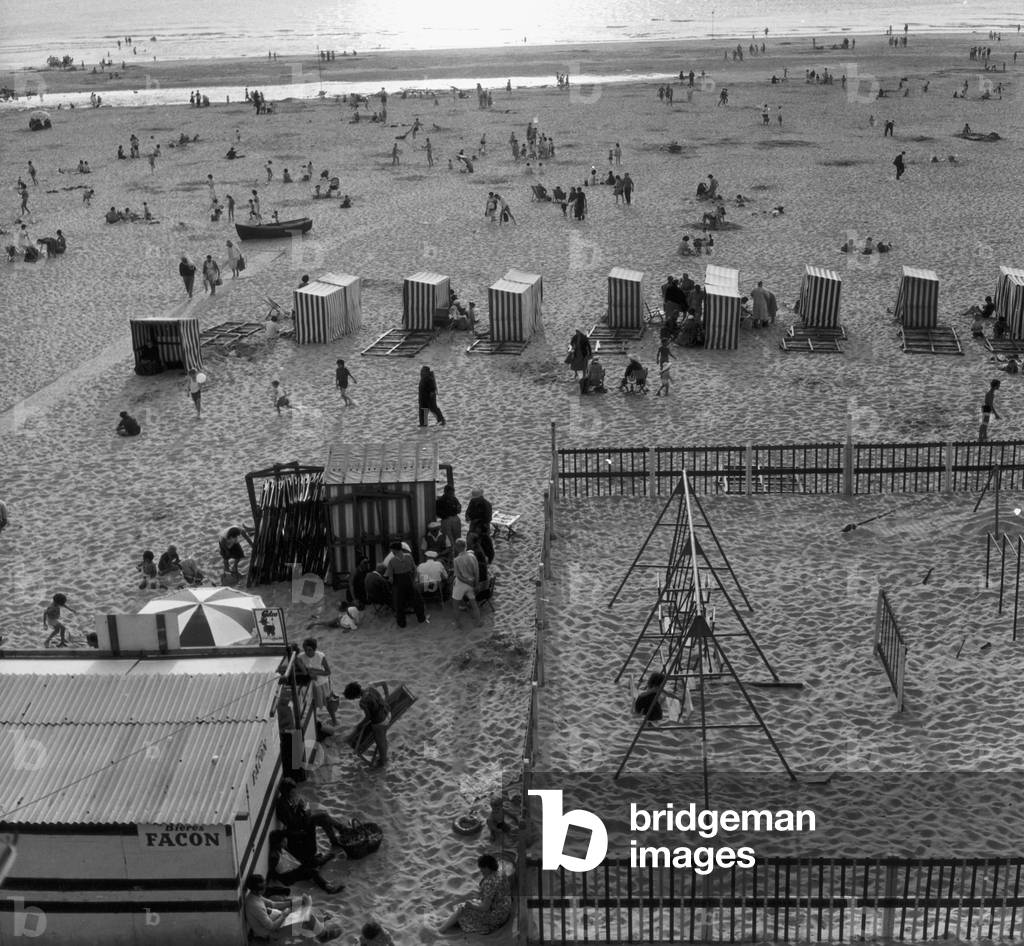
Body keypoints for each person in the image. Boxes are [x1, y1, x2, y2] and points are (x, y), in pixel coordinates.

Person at [437, 854, 512, 934]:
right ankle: (448, 921)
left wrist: (471, 905)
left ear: (487, 867)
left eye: (482, 869)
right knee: (472, 902)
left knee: (463, 908)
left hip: (496, 916)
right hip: (504, 910)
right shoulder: (500, 873)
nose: (481, 871)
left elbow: (485, 907)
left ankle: (441, 930)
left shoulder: (489, 883)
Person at [274, 777, 345, 852]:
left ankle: (335, 838)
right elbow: (292, 822)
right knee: (323, 817)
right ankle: (341, 830)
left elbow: (300, 811)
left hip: (302, 820)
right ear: (287, 792)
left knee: (324, 819)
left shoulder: (289, 799)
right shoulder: (282, 804)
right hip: (298, 826)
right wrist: (298, 808)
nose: (294, 792)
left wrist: (301, 807)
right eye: (292, 791)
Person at [267, 829, 344, 894]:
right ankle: (328, 888)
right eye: (284, 839)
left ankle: (325, 858)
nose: (285, 840)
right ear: (280, 841)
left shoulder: (281, 848)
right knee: (312, 872)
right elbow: (274, 872)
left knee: (312, 862)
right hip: (289, 876)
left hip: (293, 868)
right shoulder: (275, 855)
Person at [244, 873, 305, 942]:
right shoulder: (255, 905)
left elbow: (273, 904)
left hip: (268, 924)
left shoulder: (254, 895)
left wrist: (293, 903)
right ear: (255, 890)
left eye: (265, 885)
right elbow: (272, 926)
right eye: (263, 887)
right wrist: (284, 914)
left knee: (284, 903)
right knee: (300, 925)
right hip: (268, 933)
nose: (265, 888)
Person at [343, 681, 389, 766]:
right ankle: (384, 756)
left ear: (355, 696)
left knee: (380, 742)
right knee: (383, 738)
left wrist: (360, 725)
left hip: (379, 723)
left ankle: (383, 761)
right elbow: (384, 683)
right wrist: (387, 697)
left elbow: (368, 717)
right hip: (387, 714)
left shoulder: (363, 702)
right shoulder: (371, 686)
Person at [385, 541, 427, 628]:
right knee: (417, 601)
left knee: (399, 604)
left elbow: (391, 578)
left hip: (398, 583)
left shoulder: (392, 561)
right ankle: (421, 618)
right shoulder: (409, 557)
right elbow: (415, 569)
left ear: (393, 550)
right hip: (409, 580)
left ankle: (402, 624)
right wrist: (414, 579)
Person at [298, 638, 337, 724]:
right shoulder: (300, 657)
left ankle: (334, 720)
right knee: (313, 703)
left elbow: (328, 672)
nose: (307, 652)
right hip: (311, 684)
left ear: (314, 649)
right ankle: (314, 721)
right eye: (305, 650)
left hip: (322, 683)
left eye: (309, 650)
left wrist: (314, 671)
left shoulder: (320, 656)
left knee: (328, 702)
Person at [451, 539, 482, 624]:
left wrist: (466, 581)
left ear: (458, 548)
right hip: (471, 582)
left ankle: (458, 623)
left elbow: (458, 576)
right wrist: (476, 583)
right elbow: (477, 572)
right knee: (474, 604)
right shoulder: (472, 556)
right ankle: (478, 621)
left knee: (455, 605)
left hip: (461, 584)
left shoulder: (456, 560)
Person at [466, 488, 493, 562]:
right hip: (474, 526)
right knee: (472, 543)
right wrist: (468, 517)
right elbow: (468, 513)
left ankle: (485, 558)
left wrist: (478, 522)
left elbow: (488, 519)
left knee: (485, 543)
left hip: (483, 527)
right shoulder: (472, 502)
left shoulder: (486, 504)